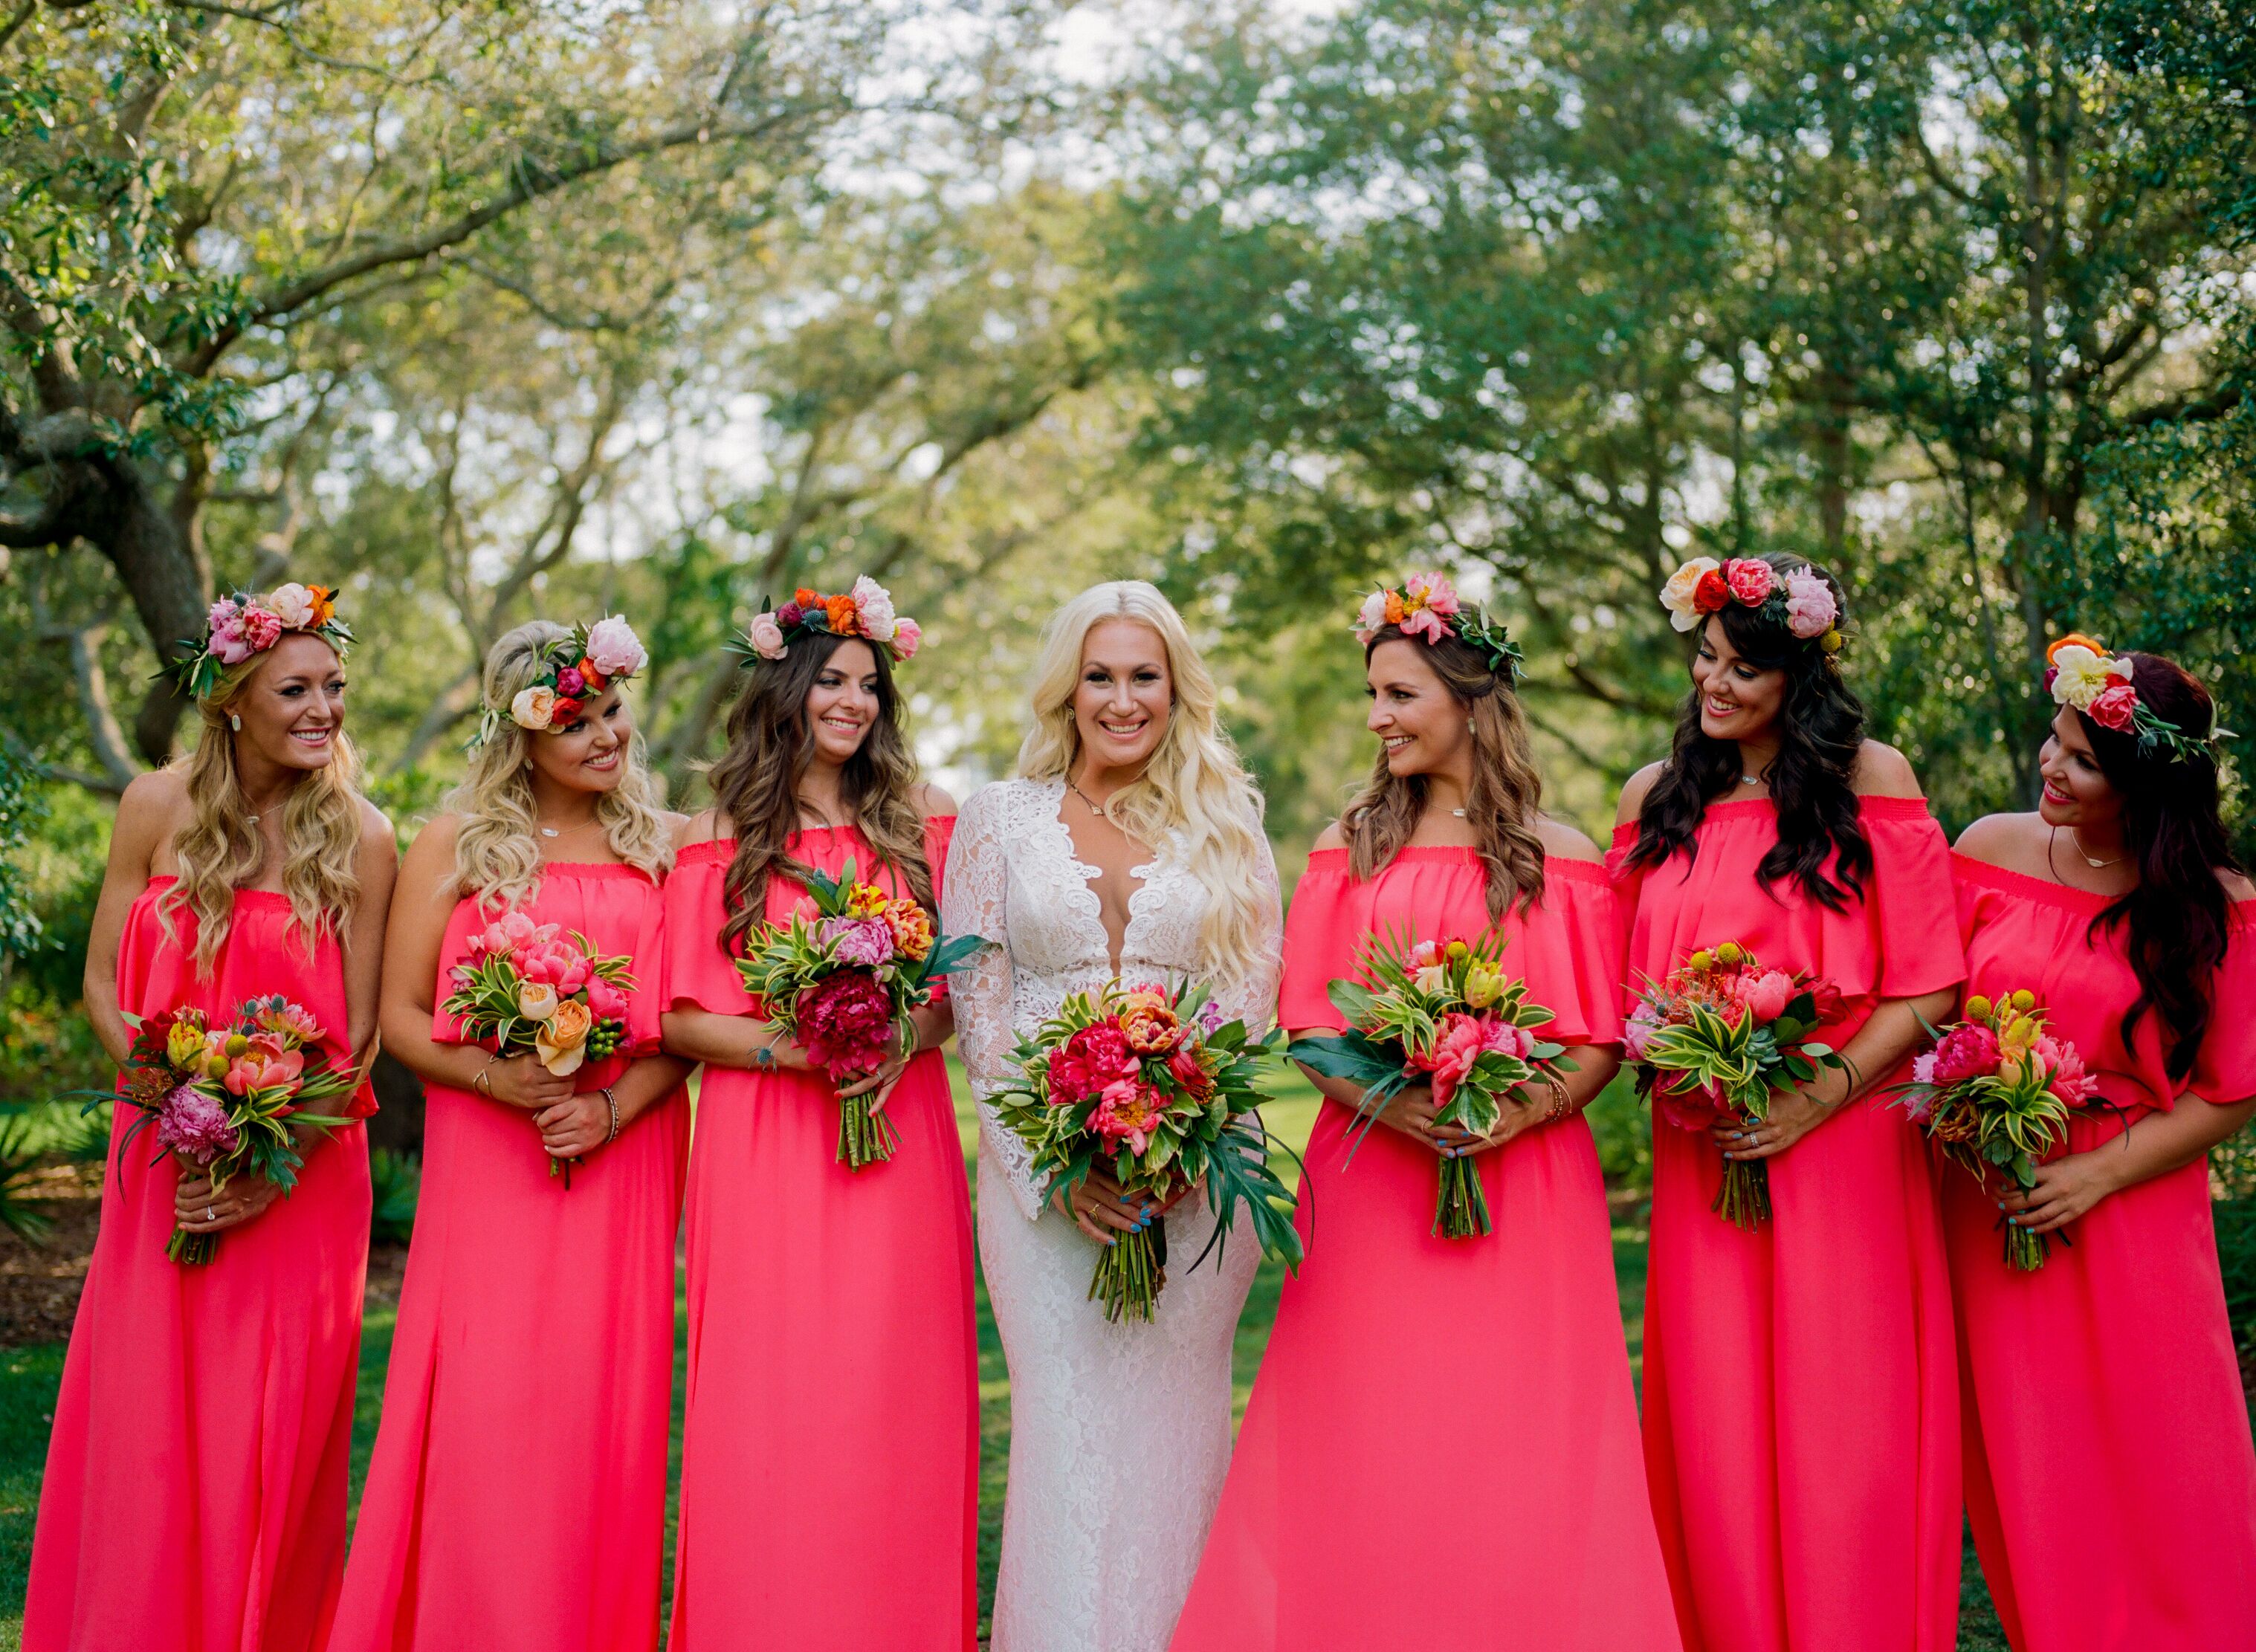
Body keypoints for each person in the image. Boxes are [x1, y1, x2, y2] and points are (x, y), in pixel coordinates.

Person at [1169, 574, 1681, 1651]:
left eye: (1399, 694)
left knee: (1522, 1435)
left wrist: (1517, 1113)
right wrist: (1399, 1112)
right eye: (1373, 694)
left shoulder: (1564, 853)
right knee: (1372, 1432)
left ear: (1465, 697)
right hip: (1375, 1176)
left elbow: (1593, 1039)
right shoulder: (1344, 845)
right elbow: (1307, 1024)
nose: (1377, 718)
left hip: (1529, 1187)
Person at [27, 586, 395, 1652]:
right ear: (232, 700)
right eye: (297, 688)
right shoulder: (152, 805)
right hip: (162, 1163)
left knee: (268, 1438)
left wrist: (258, 1158)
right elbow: (103, 986)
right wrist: (177, 1110)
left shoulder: (365, 839)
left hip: (303, 1178)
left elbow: (361, 1040)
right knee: (146, 1424)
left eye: (335, 686)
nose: (325, 706)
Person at [1609, 552, 1965, 1652]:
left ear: (1798, 676)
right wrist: (1681, 1056)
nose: (1715, 687)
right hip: (1704, 1149)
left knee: (1842, 1427)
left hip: (1844, 1143)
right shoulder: (1654, 799)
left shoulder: (1877, 779)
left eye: (1743, 670)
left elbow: (1931, 982)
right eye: (1706, 662)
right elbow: (1621, 984)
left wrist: (1824, 1096)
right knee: (1718, 1429)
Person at [332, 618, 689, 1652]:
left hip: (622, 1158)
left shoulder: (662, 844)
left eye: (611, 713)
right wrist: (509, 1080)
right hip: (492, 1164)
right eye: (573, 721)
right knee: (486, 1416)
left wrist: (612, 1107)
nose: (603, 737)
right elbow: (399, 1017)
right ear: (519, 731)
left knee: (597, 1426)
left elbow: (686, 1019)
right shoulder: (452, 844)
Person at [945, 579, 1283, 1652]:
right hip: (1044, 1189)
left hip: (1195, 1181)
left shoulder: (1230, 824)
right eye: (1101, 676)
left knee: (1178, 1431)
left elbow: (1251, 996)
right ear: (1067, 688)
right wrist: (1055, 1169)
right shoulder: (999, 819)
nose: (1123, 700)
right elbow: (980, 1008)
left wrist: (1191, 1135)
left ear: (1177, 689)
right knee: (1066, 1431)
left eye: (1146, 676)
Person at [659, 579, 977, 1650]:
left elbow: (961, 990)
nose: (852, 701)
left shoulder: (923, 823)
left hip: (898, 1128)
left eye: (869, 685)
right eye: (832, 680)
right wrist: (798, 1049)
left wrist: (900, 1036)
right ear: (786, 686)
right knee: (774, 1403)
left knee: (894, 1397)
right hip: (766, 1146)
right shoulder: (717, 831)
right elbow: (680, 1017)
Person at [1943, 636, 2256, 1650]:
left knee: (2166, 1456)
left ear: (2145, 787)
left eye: (2079, 759)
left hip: (2131, 1207)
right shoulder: (1987, 848)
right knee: (2036, 1466)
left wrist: (2095, 1175)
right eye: (2053, 740)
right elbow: (1927, 1004)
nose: (2050, 766)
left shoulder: (2220, 906)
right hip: (1991, 1203)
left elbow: (2233, 1091)